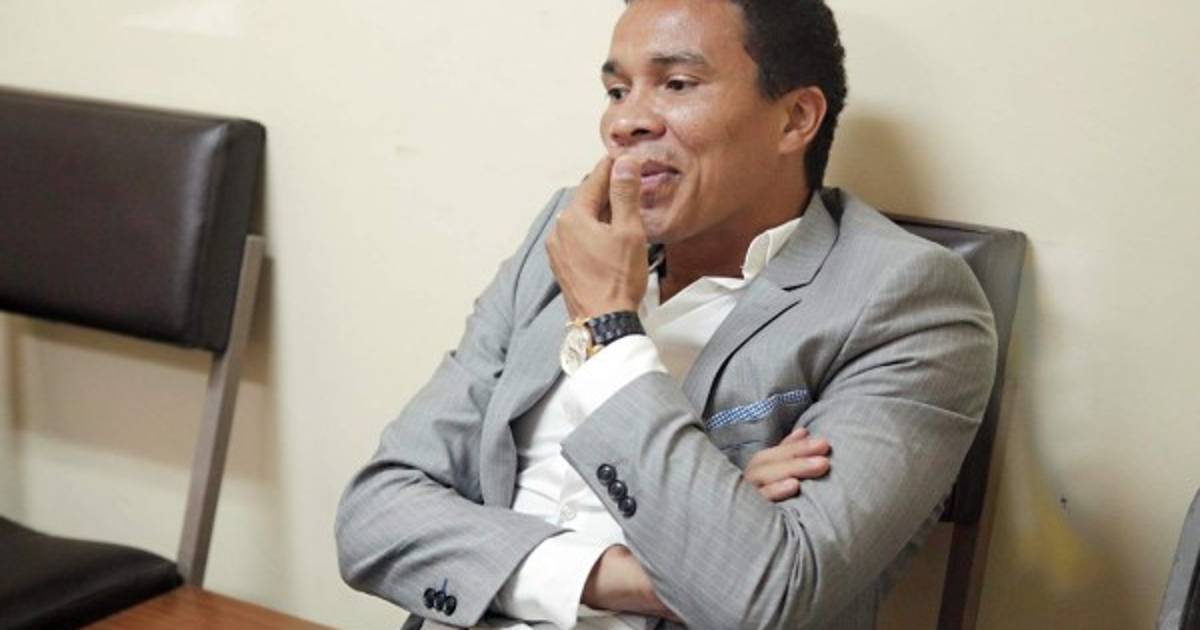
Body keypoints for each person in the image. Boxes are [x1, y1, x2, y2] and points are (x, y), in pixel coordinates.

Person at [336, 0, 998, 628]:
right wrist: (638, 573)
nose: (624, 123)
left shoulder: (910, 301)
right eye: (617, 90)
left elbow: (761, 596)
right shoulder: (568, 234)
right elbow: (374, 516)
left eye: (677, 84)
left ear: (795, 119)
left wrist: (608, 328)